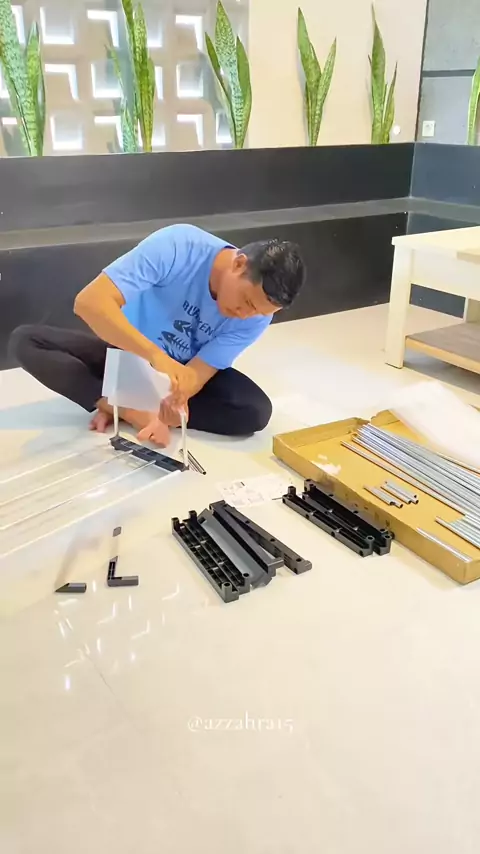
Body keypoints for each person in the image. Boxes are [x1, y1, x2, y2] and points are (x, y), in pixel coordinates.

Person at [10, 224, 306, 446]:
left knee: (255, 410)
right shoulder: (178, 246)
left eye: (258, 312)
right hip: (127, 350)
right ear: (238, 264)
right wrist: (154, 356)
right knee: (27, 341)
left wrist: (175, 404)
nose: (245, 315)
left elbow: (198, 372)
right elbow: (89, 302)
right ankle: (126, 408)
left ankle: (120, 402)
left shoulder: (257, 317)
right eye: (247, 302)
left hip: (177, 372)